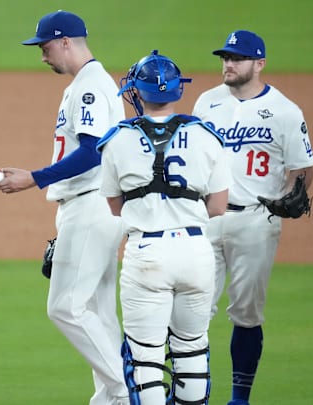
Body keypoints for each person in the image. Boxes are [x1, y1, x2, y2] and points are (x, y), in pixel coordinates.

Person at [0, 10, 128, 404]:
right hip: (93, 207)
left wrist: (34, 177)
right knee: (99, 314)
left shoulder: (89, 88)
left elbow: (92, 153)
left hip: (90, 205)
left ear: (66, 42)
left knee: (65, 307)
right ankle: (113, 398)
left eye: (46, 47)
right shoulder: (91, 84)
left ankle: (129, 390)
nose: (42, 56)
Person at [97, 50, 230, 405]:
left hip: (147, 255)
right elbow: (218, 206)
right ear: (176, 91)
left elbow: (114, 207)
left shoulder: (117, 139)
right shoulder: (206, 136)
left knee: (146, 359)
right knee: (191, 352)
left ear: (137, 92)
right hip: (197, 253)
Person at [192, 30, 313, 405]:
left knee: (246, 314)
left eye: (237, 58)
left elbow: (303, 168)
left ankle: (239, 398)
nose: (228, 64)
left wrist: (296, 194)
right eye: (225, 57)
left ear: (259, 64)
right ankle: (190, 393)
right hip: (206, 218)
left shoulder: (285, 110)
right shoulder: (207, 102)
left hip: (256, 223)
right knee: (193, 308)